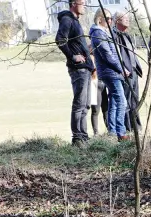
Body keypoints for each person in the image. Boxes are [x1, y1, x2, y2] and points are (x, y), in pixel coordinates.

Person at [55, 0, 95, 145]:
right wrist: (73, 56)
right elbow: (60, 40)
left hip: (85, 68)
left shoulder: (75, 21)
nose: (84, 5)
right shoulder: (67, 19)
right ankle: (77, 138)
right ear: (73, 3)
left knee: (86, 104)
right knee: (80, 103)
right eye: (82, 3)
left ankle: (83, 136)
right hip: (78, 69)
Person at [91, 10, 129, 140]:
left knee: (113, 102)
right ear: (99, 19)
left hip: (112, 72)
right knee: (121, 102)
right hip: (110, 72)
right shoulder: (98, 33)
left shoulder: (103, 32)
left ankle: (113, 131)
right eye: (107, 18)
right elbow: (107, 55)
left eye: (110, 18)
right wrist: (121, 69)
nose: (110, 21)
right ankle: (121, 133)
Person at [113, 13, 145, 137]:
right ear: (117, 21)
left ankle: (136, 127)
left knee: (134, 101)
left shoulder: (127, 35)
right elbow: (115, 55)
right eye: (124, 18)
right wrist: (122, 69)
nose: (128, 20)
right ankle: (127, 129)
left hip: (134, 72)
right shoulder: (114, 35)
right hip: (125, 73)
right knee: (126, 102)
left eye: (128, 18)